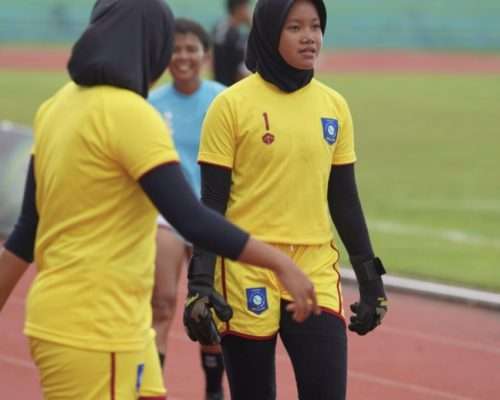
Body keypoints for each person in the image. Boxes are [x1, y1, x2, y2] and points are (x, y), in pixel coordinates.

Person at [0, 1, 319, 399]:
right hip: (96, 329)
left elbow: (26, 231)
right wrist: (279, 262)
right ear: (151, 46)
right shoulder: (133, 115)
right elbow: (189, 218)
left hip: (113, 325)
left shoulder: (56, 106)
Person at [182, 1, 389, 399]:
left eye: (315, 26)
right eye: (295, 27)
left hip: (314, 268)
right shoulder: (230, 105)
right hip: (245, 269)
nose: (309, 36)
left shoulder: (334, 106)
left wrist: (370, 278)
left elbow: (344, 200)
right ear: (269, 31)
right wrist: (200, 282)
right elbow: (211, 202)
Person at [147, 18, 227, 400]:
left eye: (191, 49)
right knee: (161, 302)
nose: (183, 56)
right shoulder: (150, 103)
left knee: (207, 307)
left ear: (205, 55)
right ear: (165, 55)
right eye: (175, 49)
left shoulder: (222, 99)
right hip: (166, 216)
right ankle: (152, 388)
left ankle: (213, 390)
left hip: (210, 215)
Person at [212, 0, 252, 86]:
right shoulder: (229, 33)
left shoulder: (222, 27)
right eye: (247, 7)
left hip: (223, 83)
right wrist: (252, 26)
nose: (250, 11)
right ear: (240, 8)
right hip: (227, 85)